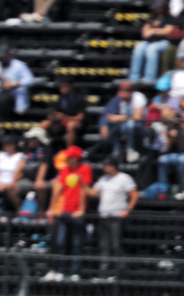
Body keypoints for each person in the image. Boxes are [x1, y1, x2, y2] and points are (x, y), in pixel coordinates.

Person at [45, 145, 91, 281]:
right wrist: (51, 208)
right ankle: (60, 270)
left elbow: (84, 189)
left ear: (76, 158)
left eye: (70, 158)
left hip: (77, 210)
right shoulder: (65, 170)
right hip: (65, 209)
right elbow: (58, 188)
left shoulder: (85, 169)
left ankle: (75, 272)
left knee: (77, 244)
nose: (68, 160)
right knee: (60, 242)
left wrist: (82, 209)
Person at [88, 156, 137, 281]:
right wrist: (81, 184)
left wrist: (127, 210)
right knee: (104, 246)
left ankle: (119, 273)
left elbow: (134, 194)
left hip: (117, 217)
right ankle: (104, 273)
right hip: (104, 216)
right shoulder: (103, 179)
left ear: (113, 166)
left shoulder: (124, 178)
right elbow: (92, 193)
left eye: (107, 165)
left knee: (116, 245)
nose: (105, 167)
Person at [130, 1, 180, 82]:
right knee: (139, 47)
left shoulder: (170, 18)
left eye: (160, 7)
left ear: (165, 7)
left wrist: (153, 30)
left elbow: (168, 31)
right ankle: (134, 77)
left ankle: (149, 78)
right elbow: (145, 33)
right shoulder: (152, 18)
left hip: (165, 42)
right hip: (150, 41)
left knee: (152, 49)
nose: (158, 9)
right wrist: (159, 30)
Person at [0, 42, 33, 120]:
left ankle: (4, 120)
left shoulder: (19, 65)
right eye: (0, 57)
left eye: (3, 57)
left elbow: (30, 80)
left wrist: (13, 83)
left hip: (13, 95)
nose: (1, 59)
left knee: (3, 99)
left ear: (9, 55)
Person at [100, 80, 147, 162]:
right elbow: (107, 115)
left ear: (131, 91)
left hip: (141, 127)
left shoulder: (138, 97)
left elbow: (138, 118)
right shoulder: (119, 99)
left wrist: (121, 117)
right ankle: (116, 150)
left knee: (130, 124)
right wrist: (103, 125)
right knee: (112, 124)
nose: (123, 95)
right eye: (122, 92)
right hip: (125, 126)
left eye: (125, 92)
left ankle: (130, 150)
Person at [43, 78, 83, 149]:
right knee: (45, 124)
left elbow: (80, 117)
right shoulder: (61, 98)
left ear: (70, 86)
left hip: (75, 123)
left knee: (70, 125)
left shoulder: (79, 98)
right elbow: (56, 111)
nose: (62, 89)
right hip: (61, 123)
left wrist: (65, 117)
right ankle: (45, 150)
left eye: (65, 86)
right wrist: (52, 116)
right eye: (61, 87)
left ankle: (68, 152)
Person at [0, 134, 26, 208]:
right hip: (0, 183)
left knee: (10, 190)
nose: (5, 146)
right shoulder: (0, 155)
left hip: (13, 182)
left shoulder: (21, 156)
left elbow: (20, 172)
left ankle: (18, 211)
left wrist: (11, 182)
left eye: (8, 144)